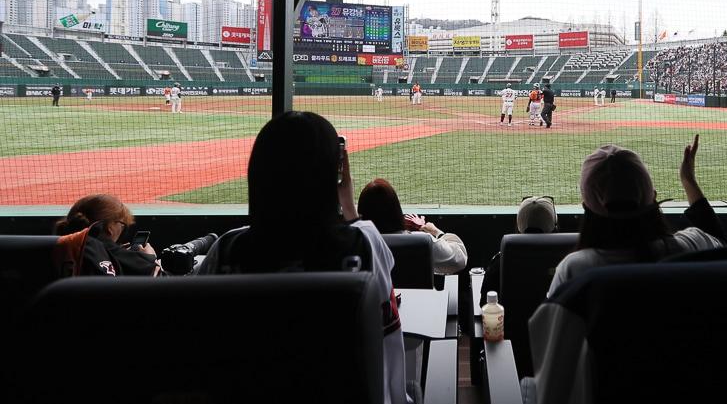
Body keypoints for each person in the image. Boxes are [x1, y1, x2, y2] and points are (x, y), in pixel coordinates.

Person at [197, 112, 413, 404]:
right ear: (334, 174)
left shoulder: (226, 250)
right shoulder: (364, 243)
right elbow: (388, 355)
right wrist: (347, 204)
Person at [547, 136, 723, 296]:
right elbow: (719, 243)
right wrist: (688, 179)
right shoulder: (689, 246)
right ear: (653, 196)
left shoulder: (574, 268)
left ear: (586, 207)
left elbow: (550, 329)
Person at [358, 178, 468, 275]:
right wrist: (435, 232)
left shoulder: (355, 244)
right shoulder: (421, 242)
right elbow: (459, 260)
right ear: (395, 210)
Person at [54, 194, 159, 276]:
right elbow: (145, 269)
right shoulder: (97, 246)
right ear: (110, 228)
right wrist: (150, 257)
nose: (122, 230)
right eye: (122, 225)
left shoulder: (64, 243)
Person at [480, 196, 558, 305]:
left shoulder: (500, 261)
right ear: (555, 225)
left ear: (519, 225)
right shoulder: (567, 261)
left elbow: (485, 303)